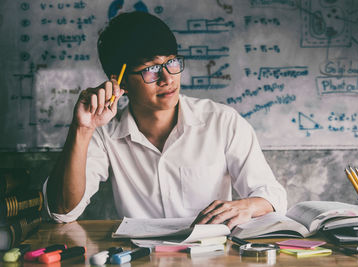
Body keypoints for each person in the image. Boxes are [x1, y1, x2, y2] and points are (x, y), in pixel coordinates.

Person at [44, 11, 287, 229]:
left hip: (212, 257)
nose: (168, 78)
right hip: (140, 257)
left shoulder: (222, 121)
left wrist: (246, 206)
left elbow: (273, 195)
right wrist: (82, 129)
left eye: (171, 62)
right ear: (120, 81)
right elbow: (62, 213)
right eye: (151, 69)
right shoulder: (105, 133)